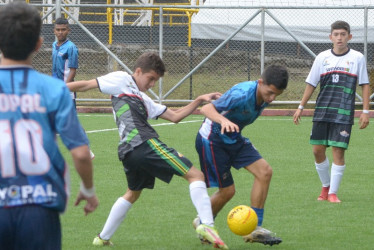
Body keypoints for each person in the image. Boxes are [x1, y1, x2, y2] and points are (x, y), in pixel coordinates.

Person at [67, 52, 228, 249]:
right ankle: (207, 225)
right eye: (151, 78)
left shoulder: (142, 98)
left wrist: (199, 100)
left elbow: (174, 116)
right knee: (196, 176)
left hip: (128, 151)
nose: (152, 84)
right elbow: (85, 85)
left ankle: (102, 238)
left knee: (132, 193)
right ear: (138, 71)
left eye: (156, 81)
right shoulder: (122, 79)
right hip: (143, 144)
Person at [0, 2, 99, 250]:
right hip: (40, 206)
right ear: (38, 44)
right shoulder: (55, 90)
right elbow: (80, 153)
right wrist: (88, 188)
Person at [194, 65, 288, 246]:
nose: (272, 98)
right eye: (269, 92)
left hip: (233, 137)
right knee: (227, 191)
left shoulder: (265, 95)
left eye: (277, 95)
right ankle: (203, 222)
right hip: (212, 139)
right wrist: (223, 120)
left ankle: (255, 228)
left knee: (265, 172)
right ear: (260, 83)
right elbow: (206, 110)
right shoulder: (242, 94)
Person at [293, 20, 370, 203]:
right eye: (336, 35)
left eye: (343, 34)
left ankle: (333, 193)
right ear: (330, 37)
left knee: (338, 151)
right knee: (317, 150)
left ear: (349, 37)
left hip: (343, 112)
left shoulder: (357, 58)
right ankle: (325, 186)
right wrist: (301, 107)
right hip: (322, 111)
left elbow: (365, 85)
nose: (339, 38)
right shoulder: (322, 57)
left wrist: (365, 111)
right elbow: (311, 83)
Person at [52, 17, 95, 159]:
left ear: (68, 30)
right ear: (54, 31)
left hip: (66, 90)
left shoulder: (71, 48)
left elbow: (73, 70)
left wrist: (65, 87)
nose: (60, 32)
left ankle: (86, 148)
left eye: (63, 29)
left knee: (71, 120)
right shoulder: (54, 45)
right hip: (55, 88)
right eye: (58, 30)